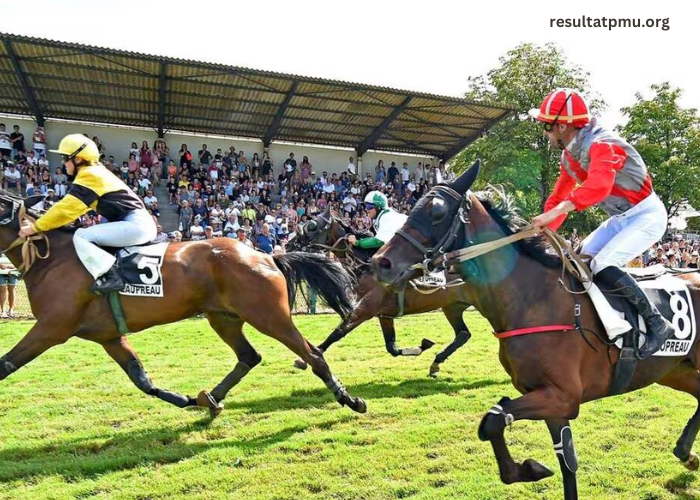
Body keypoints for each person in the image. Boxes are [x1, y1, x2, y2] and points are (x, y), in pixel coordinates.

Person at [529, 88, 673, 358]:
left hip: (647, 215)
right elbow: (558, 197)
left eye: (547, 126)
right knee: (579, 260)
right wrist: (543, 231)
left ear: (562, 125)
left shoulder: (603, 144)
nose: (545, 132)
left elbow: (599, 186)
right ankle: (602, 322)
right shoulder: (568, 157)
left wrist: (557, 211)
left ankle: (657, 324)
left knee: (604, 263)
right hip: (621, 219)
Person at [17, 134, 156, 294]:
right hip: (134, 223)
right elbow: (71, 210)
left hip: (135, 224)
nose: (63, 163)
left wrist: (35, 227)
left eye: (65, 158)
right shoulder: (94, 172)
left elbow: (66, 209)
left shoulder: (90, 174)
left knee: (81, 236)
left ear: (78, 159)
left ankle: (111, 276)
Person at [0, 252, 18, 318]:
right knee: (2, 291)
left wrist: (8, 266)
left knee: (12, 290)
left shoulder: (14, 249)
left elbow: (19, 262)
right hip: (1, 273)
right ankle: (3, 311)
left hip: (12, 272)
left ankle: (11, 310)